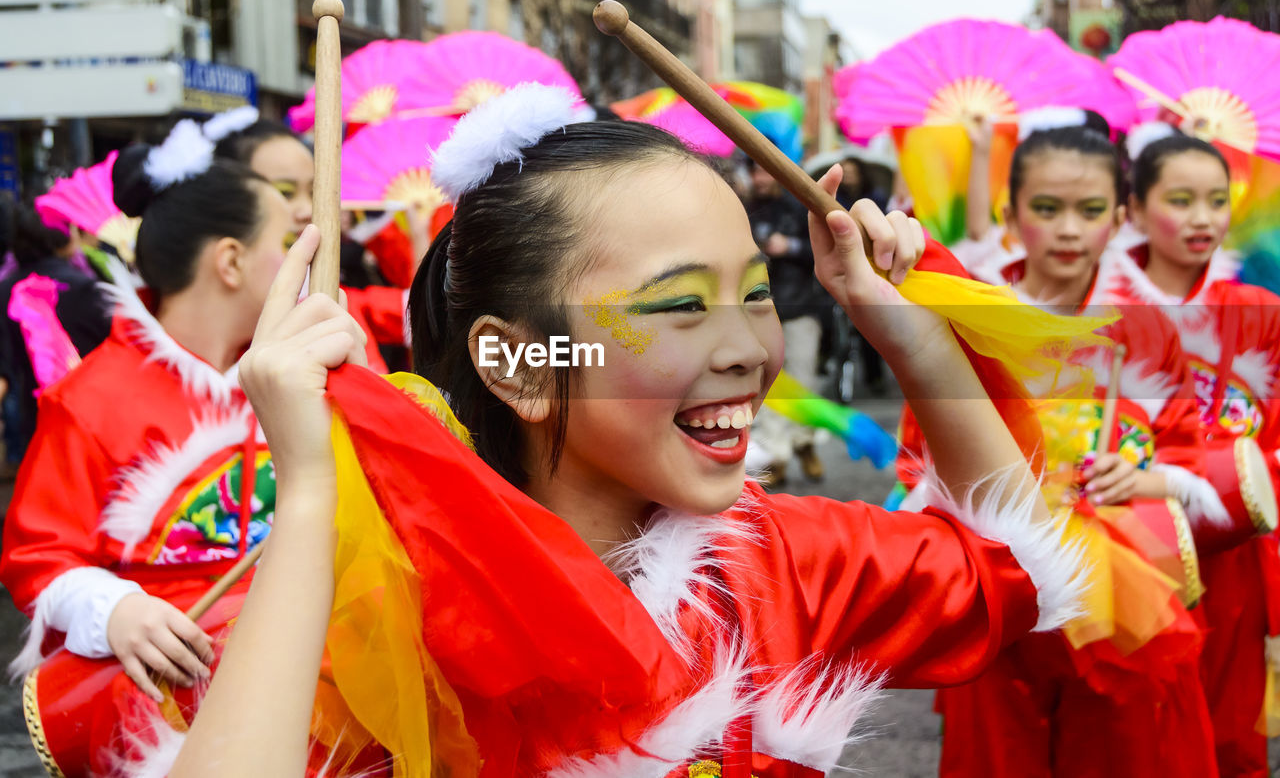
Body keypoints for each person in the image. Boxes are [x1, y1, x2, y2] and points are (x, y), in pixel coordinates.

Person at [165, 84, 1086, 777]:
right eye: (679, 304)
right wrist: (315, 488)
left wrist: (916, 340)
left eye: (756, 296)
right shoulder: (397, 606)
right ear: (518, 364)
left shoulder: (782, 559)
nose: (747, 350)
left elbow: (1003, 570)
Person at [901, 123, 1220, 777]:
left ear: (1121, 216)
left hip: (1123, 592)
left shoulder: (1151, 323)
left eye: (1091, 210)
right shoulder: (969, 313)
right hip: (1000, 577)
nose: (1070, 229)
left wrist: (1141, 475)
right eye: (1047, 209)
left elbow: (1185, 448)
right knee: (997, 756)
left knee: (1121, 751)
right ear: (1012, 215)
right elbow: (919, 452)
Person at [0, 120, 292, 710]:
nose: (299, 260)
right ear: (230, 262)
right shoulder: (92, 397)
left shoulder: (298, 376)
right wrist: (115, 611)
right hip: (158, 707)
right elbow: (39, 557)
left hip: (304, 679)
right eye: (285, 244)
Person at [1099, 131, 1280, 778]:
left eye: (1216, 199)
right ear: (1136, 209)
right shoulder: (1101, 310)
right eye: (1181, 198)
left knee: (1233, 730)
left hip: (1232, 550)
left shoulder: (1260, 312)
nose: (1203, 217)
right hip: (1133, 546)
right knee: (1142, 731)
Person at [212, 114, 420, 373]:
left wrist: (420, 231)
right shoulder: (216, 340)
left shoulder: (334, 298)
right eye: (284, 192)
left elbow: (421, 312)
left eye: (314, 192)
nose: (307, 210)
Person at [742, 158, 833, 484]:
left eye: (765, 170)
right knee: (765, 384)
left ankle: (805, 445)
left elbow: (823, 250)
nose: (760, 178)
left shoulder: (798, 206)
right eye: (755, 171)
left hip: (800, 309)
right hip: (760, 310)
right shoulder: (744, 208)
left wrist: (790, 246)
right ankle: (774, 454)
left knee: (803, 380)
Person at [0, 204, 111, 460]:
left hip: (37, 419)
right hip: (92, 412)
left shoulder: (6, 289)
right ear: (61, 237)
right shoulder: (88, 288)